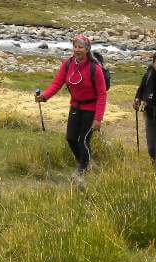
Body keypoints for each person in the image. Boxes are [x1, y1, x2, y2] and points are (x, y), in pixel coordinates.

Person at [33, 34, 107, 177]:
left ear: (87, 50)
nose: (77, 50)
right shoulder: (67, 64)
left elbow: (102, 94)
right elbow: (57, 83)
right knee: (71, 139)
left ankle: (82, 171)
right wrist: (44, 96)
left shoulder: (95, 68)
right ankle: (85, 163)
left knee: (83, 140)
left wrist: (98, 119)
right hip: (75, 107)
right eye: (75, 46)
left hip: (90, 110)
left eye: (81, 47)